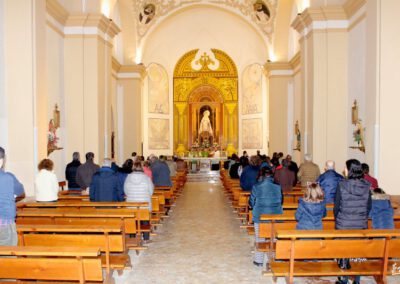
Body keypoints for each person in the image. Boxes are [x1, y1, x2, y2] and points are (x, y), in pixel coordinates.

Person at [334, 159, 371, 284]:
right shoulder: (366, 186)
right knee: (358, 250)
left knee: (343, 250)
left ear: (349, 170)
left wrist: (338, 218)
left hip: (344, 222)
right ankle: (357, 279)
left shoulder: (342, 185)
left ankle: (344, 278)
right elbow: (368, 206)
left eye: (345, 167)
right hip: (360, 223)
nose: (343, 169)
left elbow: (336, 206)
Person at [249, 167, 283, 267]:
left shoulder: (257, 186)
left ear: (261, 175)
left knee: (259, 238)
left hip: (260, 216)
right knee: (273, 238)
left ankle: (259, 261)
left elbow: (252, 201)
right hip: (275, 216)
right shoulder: (278, 186)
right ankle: (272, 259)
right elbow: (281, 201)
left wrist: (252, 206)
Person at [0, 147, 25, 245]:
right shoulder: (8, 177)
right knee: (8, 256)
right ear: (1, 161)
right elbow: (20, 191)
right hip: (4, 224)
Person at [124, 161, 154, 241]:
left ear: (133, 168)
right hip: (144, 204)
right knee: (145, 219)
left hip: (131, 204)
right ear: (141, 168)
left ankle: (132, 236)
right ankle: (146, 237)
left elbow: (126, 191)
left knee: (132, 220)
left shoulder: (128, 177)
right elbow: (151, 191)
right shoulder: (146, 178)